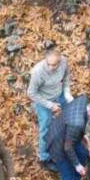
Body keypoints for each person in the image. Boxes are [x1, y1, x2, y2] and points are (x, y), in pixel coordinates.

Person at [28, 44, 72, 172]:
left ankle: (65, 146)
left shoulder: (64, 62)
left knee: (67, 120)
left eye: (55, 65)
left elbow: (67, 76)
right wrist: (50, 105)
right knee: (45, 129)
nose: (52, 68)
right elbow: (31, 93)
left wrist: (67, 92)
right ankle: (44, 158)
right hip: (43, 101)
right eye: (49, 64)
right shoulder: (38, 72)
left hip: (59, 95)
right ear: (45, 60)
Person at [44, 94, 90, 180]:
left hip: (69, 137)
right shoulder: (77, 123)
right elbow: (67, 148)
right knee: (68, 174)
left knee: (83, 154)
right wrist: (77, 165)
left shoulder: (84, 101)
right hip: (58, 146)